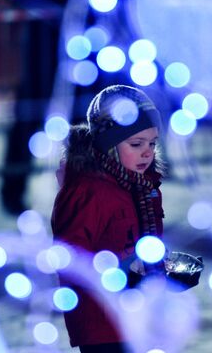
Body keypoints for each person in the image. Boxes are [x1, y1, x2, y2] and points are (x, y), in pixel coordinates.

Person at [51, 85, 166, 353]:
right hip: (101, 321)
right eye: (136, 144)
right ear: (109, 145)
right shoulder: (89, 191)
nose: (147, 152)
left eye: (152, 143)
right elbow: (69, 257)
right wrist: (121, 274)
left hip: (136, 313)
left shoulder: (142, 186)